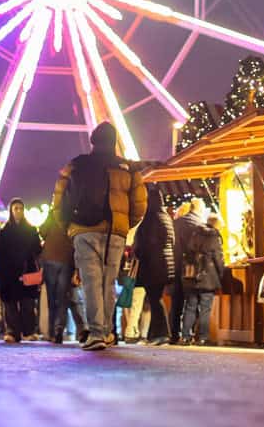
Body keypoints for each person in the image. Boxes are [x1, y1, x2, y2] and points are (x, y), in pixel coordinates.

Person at [51, 121, 146, 352]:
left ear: (93, 140)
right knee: (108, 283)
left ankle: (96, 333)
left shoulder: (75, 165)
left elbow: (58, 199)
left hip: (84, 231)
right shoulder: (129, 169)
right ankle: (105, 331)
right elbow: (140, 205)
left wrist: (69, 227)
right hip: (115, 231)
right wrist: (124, 224)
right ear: (114, 141)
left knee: (91, 283)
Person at [132, 186, 175, 346]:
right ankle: (153, 334)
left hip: (153, 265)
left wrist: (137, 251)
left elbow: (146, 244)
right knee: (154, 298)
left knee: (155, 299)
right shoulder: (165, 217)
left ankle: (163, 334)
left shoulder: (151, 218)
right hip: (164, 265)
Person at [0, 199, 41, 343]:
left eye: (21, 208)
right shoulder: (5, 230)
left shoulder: (31, 229)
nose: (18, 211)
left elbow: (37, 250)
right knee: (10, 303)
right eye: (16, 208)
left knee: (28, 303)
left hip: (27, 269)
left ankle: (28, 331)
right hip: (9, 272)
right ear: (11, 211)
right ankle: (12, 332)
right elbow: (0, 252)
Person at [180, 213, 227, 345]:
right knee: (205, 308)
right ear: (217, 225)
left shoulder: (196, 233)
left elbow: (189, 252)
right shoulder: (214, 236)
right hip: (208, 276)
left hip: (193, 275)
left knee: (190, 306)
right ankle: (202, 337)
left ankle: (185, 336)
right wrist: (221, 273)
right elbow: (218, 258)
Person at [38, 209, 84, 344]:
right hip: (66, 259)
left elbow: (43, 231)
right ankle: (58, 330)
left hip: (51, 258)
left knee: (52, 298)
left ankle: (52, 331)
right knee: (62, 297)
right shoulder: (73, 214)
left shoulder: (53, 213)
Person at [168, 199, 206, 344]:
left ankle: (174, 333)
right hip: (192, 267)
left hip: (175, 264)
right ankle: (189, 333)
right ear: (200, 209)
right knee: (192, 301)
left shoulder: (176, 223)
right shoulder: (200, 225)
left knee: (176, 301)